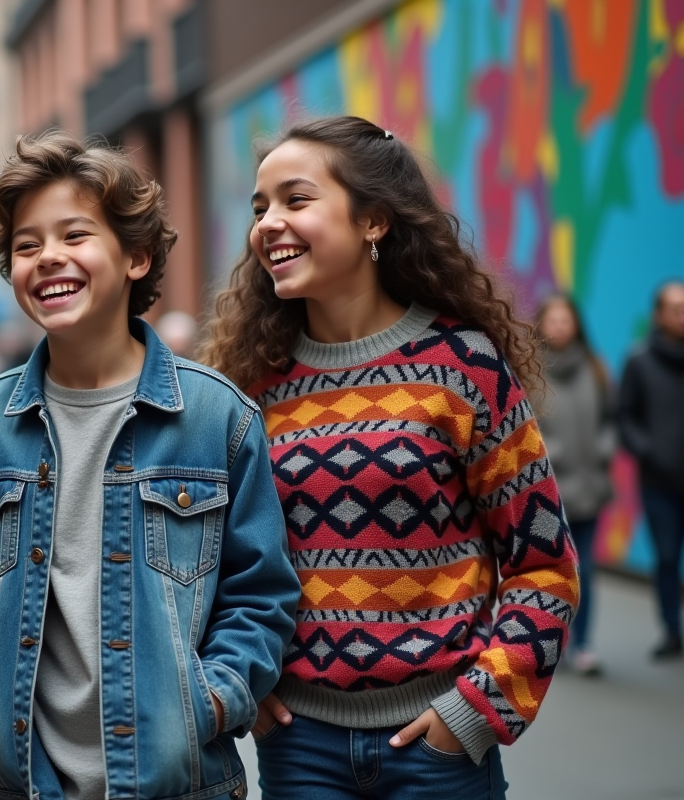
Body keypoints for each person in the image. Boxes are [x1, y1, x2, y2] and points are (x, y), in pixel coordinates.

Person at [199, 116, 579, 800]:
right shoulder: (248, 387)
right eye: (259, 208)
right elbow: (217, 568)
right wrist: (245, 689)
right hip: (299, 748)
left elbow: (543, 564)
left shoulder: (463, 366)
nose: (268, 224)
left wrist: (473, 711)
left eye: (295, 199)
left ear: (373, 220)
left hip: (440, 753)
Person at [0, 131, 300, 800]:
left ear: (136, 256)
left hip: (184, 784)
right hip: (24, 787)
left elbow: (261, 592)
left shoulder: (217, 419)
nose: (48, 258)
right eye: (26, 245)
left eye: (74, 235)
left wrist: (209, 701)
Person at [534, 295, 614, 675]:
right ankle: (555, 643)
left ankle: (584, 645)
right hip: (551, 490)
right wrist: (551, 452)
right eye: (554, 319)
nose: (561, 326)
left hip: (591, 485)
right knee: (555, 572)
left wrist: (605, 447)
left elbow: (613, 417)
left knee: (588, 571)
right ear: (541, 324)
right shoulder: (528, 371)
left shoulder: (597, 369)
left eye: (567, 319)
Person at [618, 280, 684, 659]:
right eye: (675, 308)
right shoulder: (639, 360)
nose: (681, 315)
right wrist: (648, 450)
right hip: (658, 482)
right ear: (658, 315)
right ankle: (672, 629)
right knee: (669, 556)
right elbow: (625, 417)